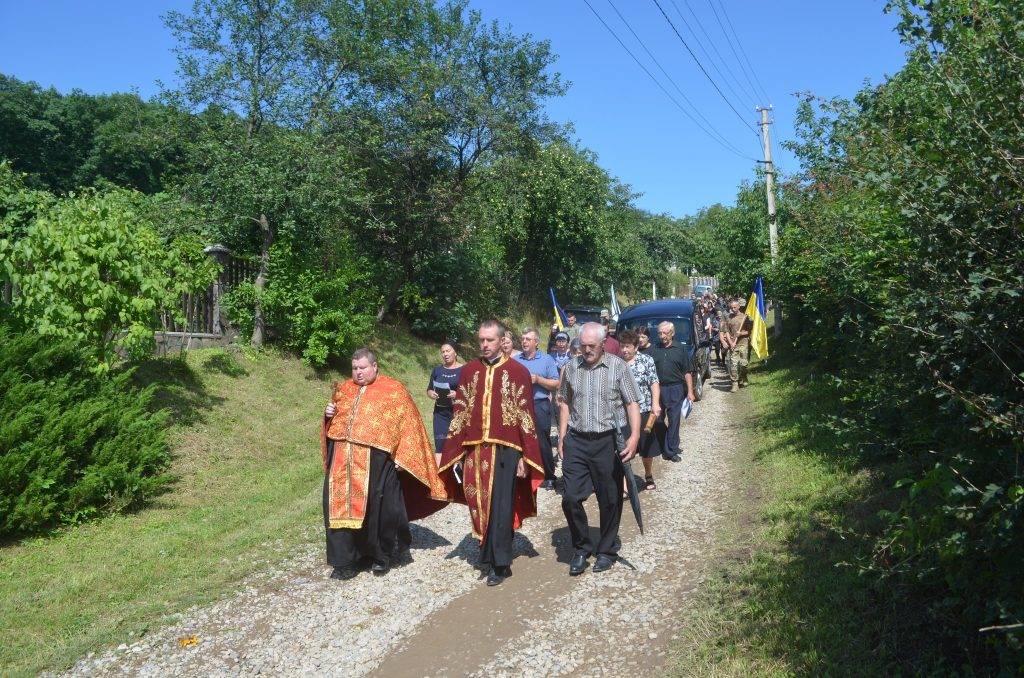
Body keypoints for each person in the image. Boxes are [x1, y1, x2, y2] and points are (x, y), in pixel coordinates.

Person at [322, 348, 450, 579]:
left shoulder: (393, 390)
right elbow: (333, 423)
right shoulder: (344, 389)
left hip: (377, 461)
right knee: (337, 507)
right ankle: (346, 561)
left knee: (378, 508)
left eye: (362, 368)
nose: (358, 373)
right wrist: (328, 415)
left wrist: (403, 455)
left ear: (374, 366)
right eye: (355, 368)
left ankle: (381, 556)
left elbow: (409, 424)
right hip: (342, 461)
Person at [438, 320, 545, 586]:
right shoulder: (470, 371)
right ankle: (486, 552)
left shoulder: (517, 371)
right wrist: (457, 450)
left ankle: (501, 563)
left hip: (507, 451)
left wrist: (524, 456)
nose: (484, 345)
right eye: (481, 340)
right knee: (478, 502)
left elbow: (525, 416)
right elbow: (461, 410)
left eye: (490, 340)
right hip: (475, 449)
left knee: (500, 503)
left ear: (501, 341)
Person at [557, 323, 641, 576]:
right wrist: (561, 436)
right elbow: (564, 403)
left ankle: (606, 550)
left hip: (608, 441)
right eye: (583, 345)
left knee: (610, 499)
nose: (586, 350)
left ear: (603, 344)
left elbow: (632, 403)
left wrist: (634, 436)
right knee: (570, 497)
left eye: (591, 346)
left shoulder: (618, 367)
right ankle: (582, 547)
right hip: (577, 441)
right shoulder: (571, 367)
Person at [514, 327, 561, 490]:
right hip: (519, 405)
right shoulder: (516, 360)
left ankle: (549, 476)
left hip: (539, 404)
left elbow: (556, 383)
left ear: (536, 342)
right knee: (520, 440)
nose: (524, 341)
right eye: (523, 339)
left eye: (528, 339)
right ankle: (525, 473)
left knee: (542, 441)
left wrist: (538, 379)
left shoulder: (546, 359)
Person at [618, 330, 662, 490]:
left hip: (643, 410)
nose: (624, 350)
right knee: (622, 448)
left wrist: (655, 404)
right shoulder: (616, 364)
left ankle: (648, 474)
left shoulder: (646, 360)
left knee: (647, 447)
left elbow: (654, 383)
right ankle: (624, 483)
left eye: (628, 346)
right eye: (622, 346)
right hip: (622, 414)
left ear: (636, 347)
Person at [646, 321, 694, 463]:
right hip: (658, 389)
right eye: (660, 333)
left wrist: (690, 391)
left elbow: (687, 372)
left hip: (676, 388)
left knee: (674, 420)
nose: (662, 336)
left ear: (672, 333)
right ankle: (668, 443)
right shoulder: (654, 349)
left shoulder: (680, 349)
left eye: (665, 333)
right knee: (659, 420)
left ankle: (670, 450)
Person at [427, 342, 465, 458]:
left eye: (448, 351)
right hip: (440, 414)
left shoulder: (465, 369)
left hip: (458, 414)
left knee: (457, 447)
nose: (445, 354)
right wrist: (431, 394)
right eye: (443, 352)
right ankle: (438, 476)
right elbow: (429, 389)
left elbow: (471, 392)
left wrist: (458, 394)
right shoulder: (437, 370)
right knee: (440, 446)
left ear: (455, 352)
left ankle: (457, 474)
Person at [722, 298, 753, 392]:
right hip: (733, 344)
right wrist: (730, 342)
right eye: (731, 307)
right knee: (733, 365)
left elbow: (749, 331)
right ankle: (735, 383)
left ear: (739, 307)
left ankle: (744, 376)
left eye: (735, 307)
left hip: (743, 343)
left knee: (743, 364)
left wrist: (741, 334)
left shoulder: (745, 317)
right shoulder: (729, 317)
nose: (733, 309)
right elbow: (726, 331)